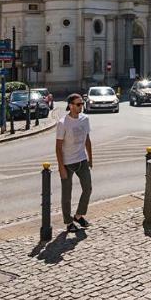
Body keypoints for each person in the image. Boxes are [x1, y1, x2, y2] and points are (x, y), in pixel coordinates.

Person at [55, 92, 93, 233]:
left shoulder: (85, 119)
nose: (81, 106)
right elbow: (58, 147)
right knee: (67, 194)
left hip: (82, 159)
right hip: (67, 162)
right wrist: (61, 167)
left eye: (82, 103)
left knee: (88, 188)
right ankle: (69, 221)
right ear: (70, 106)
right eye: (78, 104)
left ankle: (78, 215)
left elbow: (87, 140)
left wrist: (90, 158)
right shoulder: (63, 123)